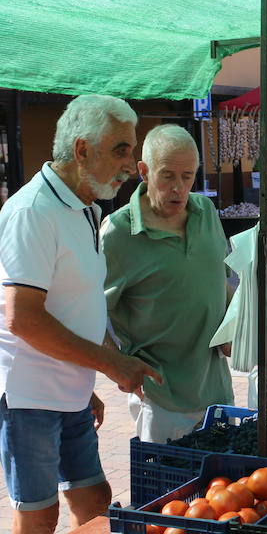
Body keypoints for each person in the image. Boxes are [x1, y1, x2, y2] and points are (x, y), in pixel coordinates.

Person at [0, 94, 161, 534]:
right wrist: (111, 365)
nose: (131, 163)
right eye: (120, 149)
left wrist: (90, 379)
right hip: (24, 393)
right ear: (81, 151)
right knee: (39, 518)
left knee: (95, 500)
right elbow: (24, 320)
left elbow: (77, 305)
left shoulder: (84, 208)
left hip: (65, 390)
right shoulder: (33, 212)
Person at [102, 125, 233, 444]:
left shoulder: (205, 212)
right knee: (169, 491)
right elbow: (87, 313)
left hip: (217, 390)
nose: (178, 188)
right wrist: (116, 365)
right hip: (161, 397)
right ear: (144, 171)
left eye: (187, 176)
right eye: (168, 176)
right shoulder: (118, 232)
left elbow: (220, 280)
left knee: (218, 487)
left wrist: (232, 324)